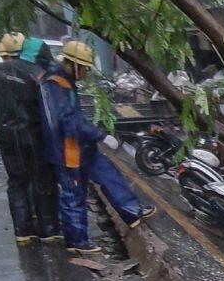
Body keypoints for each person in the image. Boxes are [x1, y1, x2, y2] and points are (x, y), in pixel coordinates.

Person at [38, 40, 153, 254]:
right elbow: (68, 121)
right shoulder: (56, 85)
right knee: (74, 194)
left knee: (109, 173)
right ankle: (77, 242)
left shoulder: (64, 82)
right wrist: (99, 134)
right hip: (67, 149)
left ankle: (132, 212)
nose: (86, 73)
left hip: (81, 145)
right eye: (85, 68)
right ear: (73, 65)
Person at [0, 32, 61, 244]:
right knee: (42, 181)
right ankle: (48, 230)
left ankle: (22, 231)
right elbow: (47, 111)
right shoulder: (38, 75)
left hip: (7, 136)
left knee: (17, 182)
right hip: (33, 136)